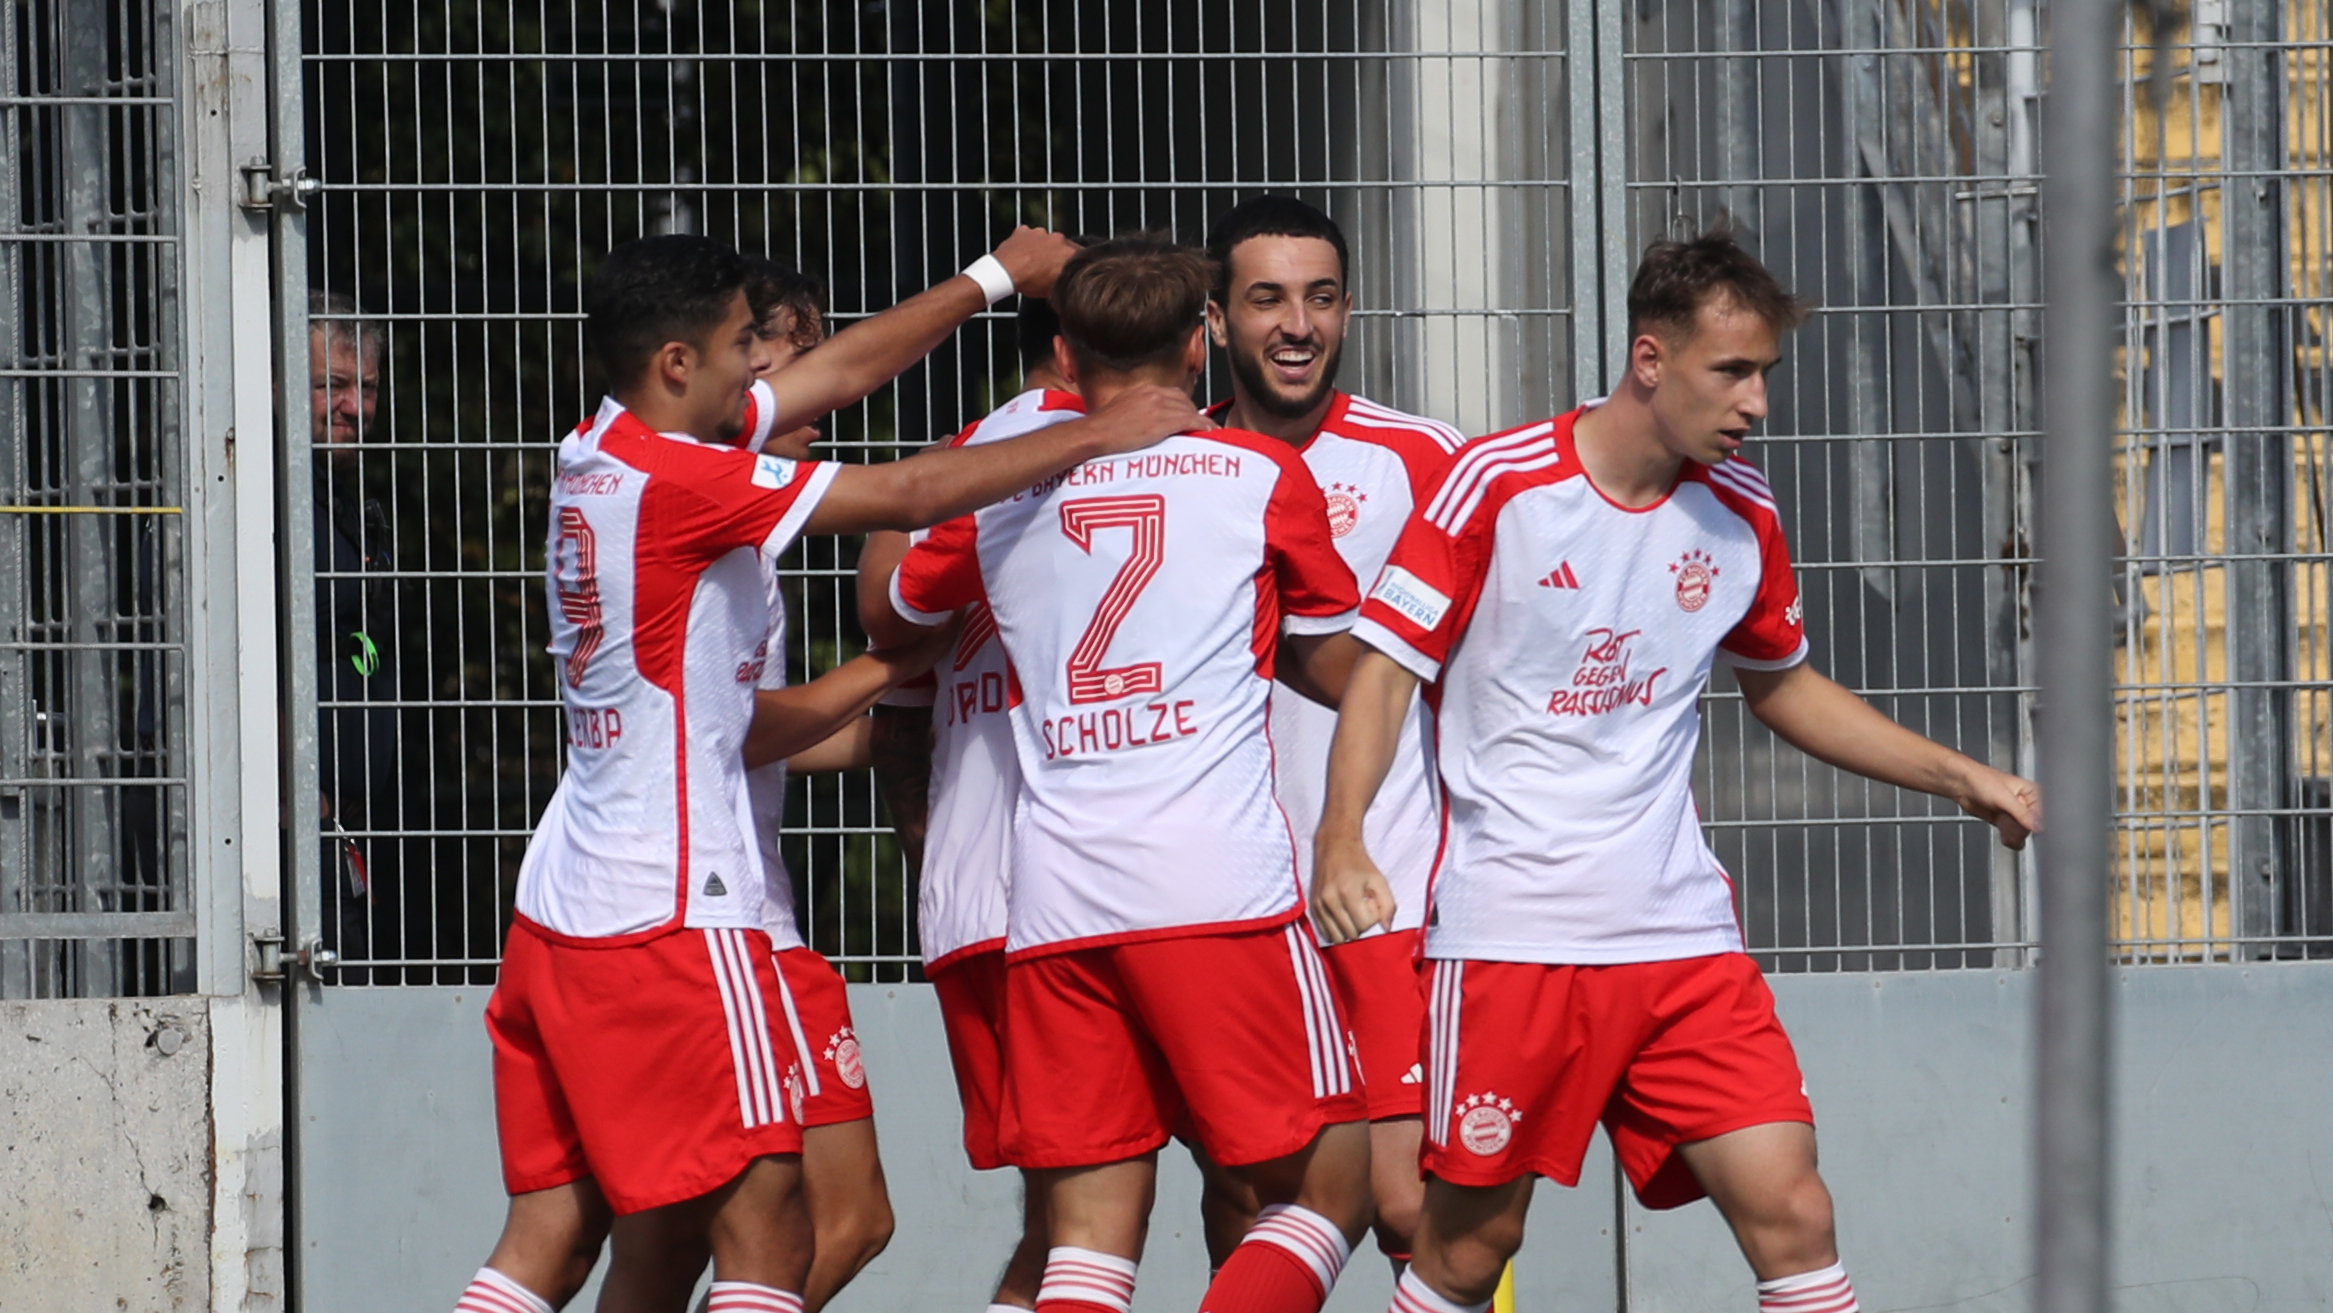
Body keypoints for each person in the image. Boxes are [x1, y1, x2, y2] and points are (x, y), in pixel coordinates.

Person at [455, 227, 1205, 1313]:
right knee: (768, 1224)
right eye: (740, 348)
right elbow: (908, 496)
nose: (766, 374)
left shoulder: (601, 449)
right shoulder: (684, 478)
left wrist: (994, 276)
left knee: (560, 1234)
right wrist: (1100, 431)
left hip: (566, 901)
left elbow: (838, 375)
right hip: (674, 909)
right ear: (679, 364)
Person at [1309, 230, 2044, 1313]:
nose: (1755, 401)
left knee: (1792, 1210)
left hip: (1680, 938)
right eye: (1730, 371)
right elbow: (1379, 674)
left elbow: (1783, 684)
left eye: (1764, 374)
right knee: (1468, 1244)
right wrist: (1341, 833)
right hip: (1517, 935)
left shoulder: (1740, 509)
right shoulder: (1496, 485)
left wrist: (1961, 776)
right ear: (1648, 359)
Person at [866, 236, 1374, 1313]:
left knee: (1085, 1239)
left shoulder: (996, 492)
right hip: (1212, 884)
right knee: (1331, 1182)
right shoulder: (1261, 471)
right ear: (1201, 342)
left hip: (1053, 894)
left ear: (1064, 355)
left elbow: (897, 608)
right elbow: (1334, 663)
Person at [1203, 195, 1464, 1269]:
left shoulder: (1426, 458)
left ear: (1347, 311)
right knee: (1247, 1196)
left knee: (1411, 1206)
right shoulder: (1169, 461)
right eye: (1264, 298)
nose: (1294, 324)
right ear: (1216, 321)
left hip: (1386, 885)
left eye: (1318, 297)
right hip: (1224, 895)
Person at [852, 290, 1079, 1313]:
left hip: (975, 899)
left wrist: (932, 852)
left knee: (1063, 1208)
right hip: (1103, 896)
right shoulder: (1151, 448)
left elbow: (895, 695)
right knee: (1249, 1183)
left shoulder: (937, 477)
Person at [309, 291, 405, 979]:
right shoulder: (249, 493)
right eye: (332, 385)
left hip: (343, 821)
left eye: (365, 388)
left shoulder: (341, 499)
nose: (353, 407)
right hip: (277, 834)